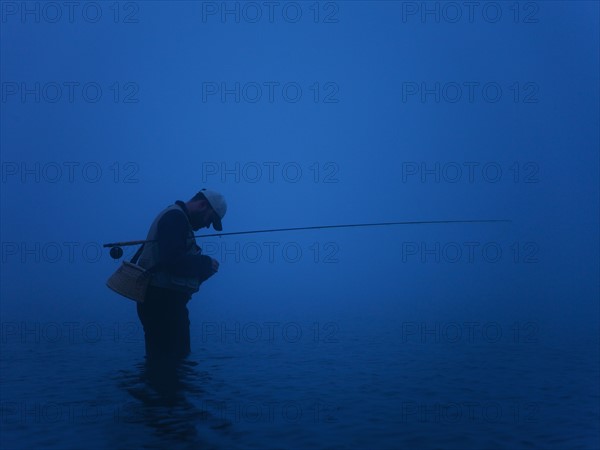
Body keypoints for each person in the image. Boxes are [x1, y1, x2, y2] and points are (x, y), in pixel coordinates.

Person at [135, 188, 227, 361]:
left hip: (161, 302)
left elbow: (169, 262)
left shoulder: (175, 217)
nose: (207, 225)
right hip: (162, 304)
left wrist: (203, 270)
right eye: (210, 219)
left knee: (164, 364)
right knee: (170, 365)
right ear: (202, 205)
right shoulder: (175, 218)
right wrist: (205, 263)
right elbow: (172, 260)